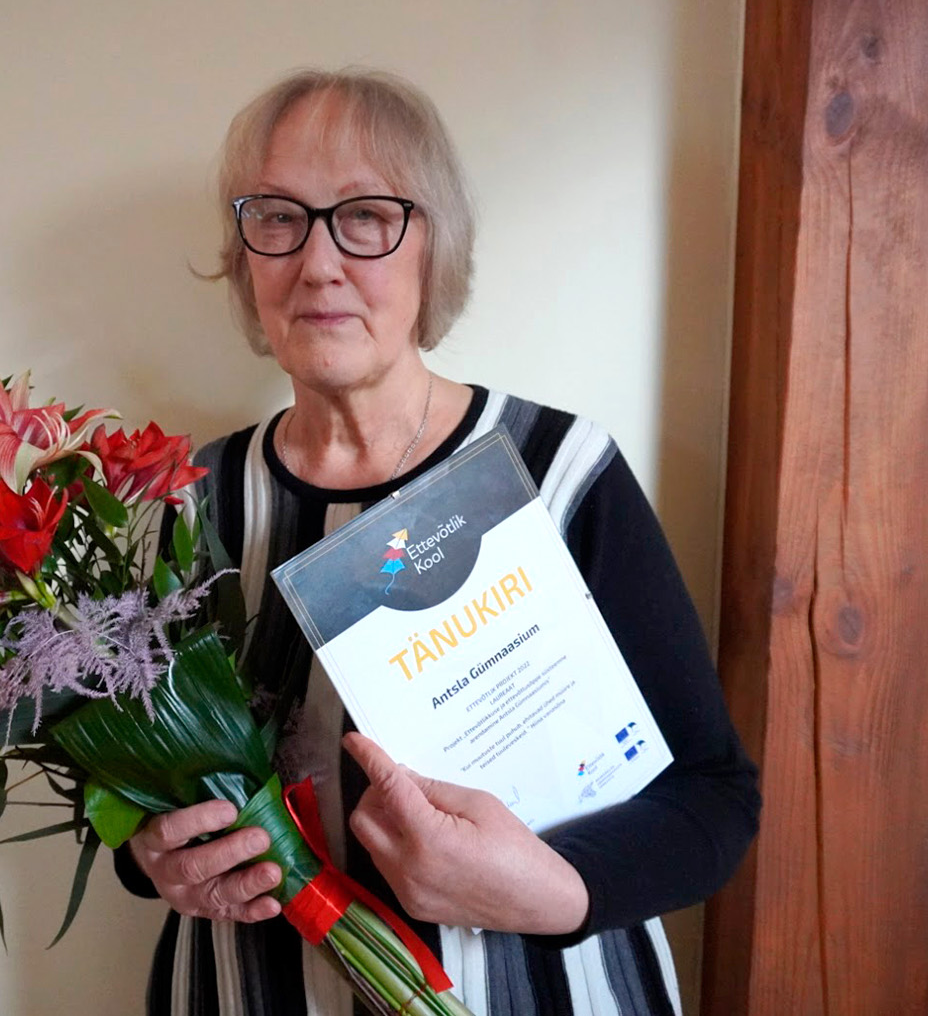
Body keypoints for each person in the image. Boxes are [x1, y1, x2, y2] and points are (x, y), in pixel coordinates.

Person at [115, 67, 760, 1016]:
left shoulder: (557, 470)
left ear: (434, 248)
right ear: (245, 258)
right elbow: (138, 785)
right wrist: (149, 859)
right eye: (279, 218)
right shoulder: (195, 500)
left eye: (366, 216)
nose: (319, 263)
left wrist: (553, 890)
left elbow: (714, 798)